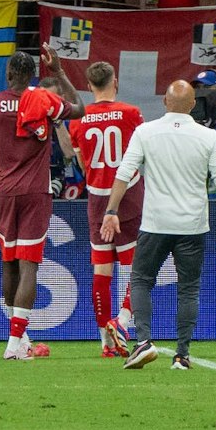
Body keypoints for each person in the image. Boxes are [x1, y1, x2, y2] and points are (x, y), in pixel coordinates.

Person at [101, 80, 216, 371]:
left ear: (165, 102)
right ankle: (182, 355)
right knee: (188, 289)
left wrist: (111, 210)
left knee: (141, 281)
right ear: (193, 105)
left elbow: (124, 174)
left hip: (155, 223)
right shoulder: (207, 136)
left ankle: (143, 341)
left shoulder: (145, 132)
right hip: (192, 225)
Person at [0, 50, 81, 360]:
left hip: (4, 192)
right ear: (33, 74)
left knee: (9, 263)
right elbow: (79, 109)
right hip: (35, 193)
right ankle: (16, 342)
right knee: (29, 265)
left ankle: (18, 339)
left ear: (9, 73)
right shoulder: (44, 100)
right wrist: (61, 73)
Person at [69, 62, 146, 357]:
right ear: (115, 81)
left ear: (89, 86)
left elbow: (80, 163)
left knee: (102, 269)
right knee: (135, 267)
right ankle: (122, 321)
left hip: (98, 197)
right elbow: (142, 154)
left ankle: (105, 341)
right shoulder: (131, 113)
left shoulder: (78, 119)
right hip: (128, 195)